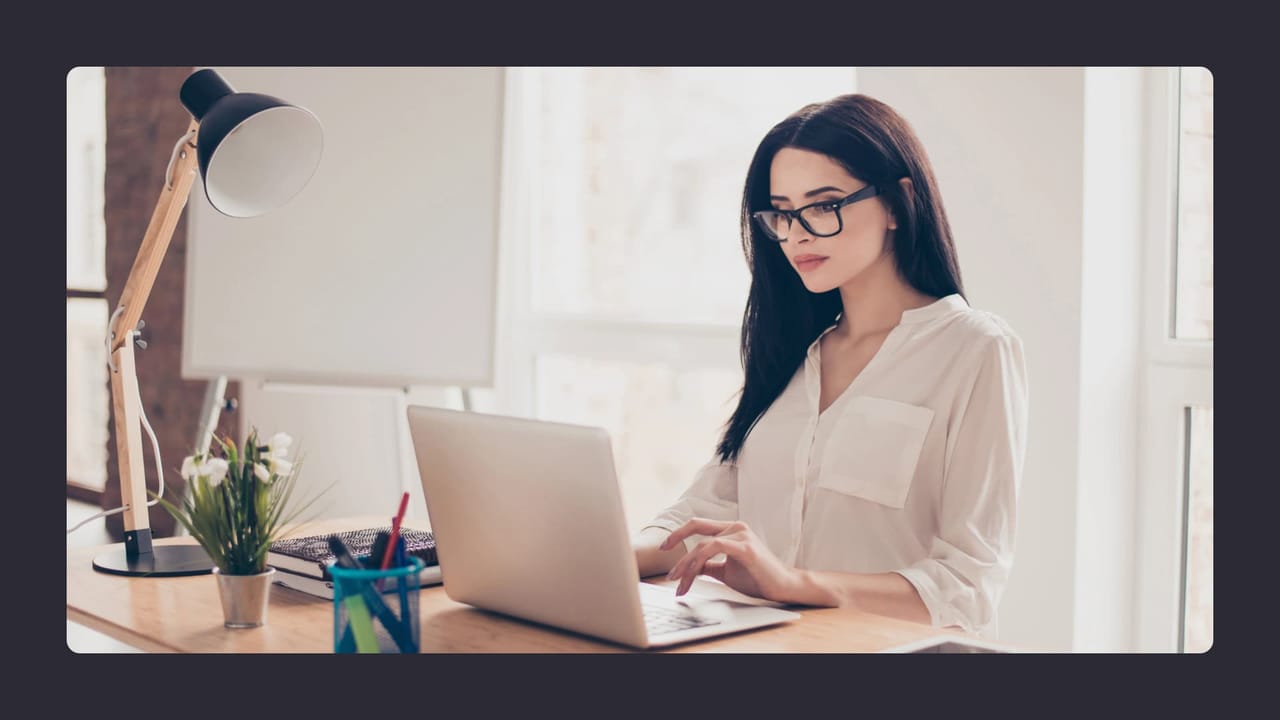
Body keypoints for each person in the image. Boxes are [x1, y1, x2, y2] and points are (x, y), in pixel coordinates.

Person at [632, 93, 1029, 638]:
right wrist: (591, 560)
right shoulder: (793, 349)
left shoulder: (974, 350)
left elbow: (968, 584)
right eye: (783, 212)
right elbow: (704, 511)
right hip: (758, 650)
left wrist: (796, 583)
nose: (795, 234)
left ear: (896, 202)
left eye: (823, 206)